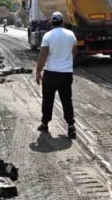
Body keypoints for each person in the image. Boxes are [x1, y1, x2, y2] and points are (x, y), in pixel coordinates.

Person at [35, 11, 78, 139]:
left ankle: (44, 123)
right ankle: (71, 126)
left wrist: (38, 71)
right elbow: (74, 51)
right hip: (66, 73)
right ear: (62, 22)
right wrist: (66, 61)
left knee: (48, 99)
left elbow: (43, 56)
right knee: (66, 99)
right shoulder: (71, 35)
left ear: (51, 23)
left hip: (51, 73)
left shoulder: (48, 36)